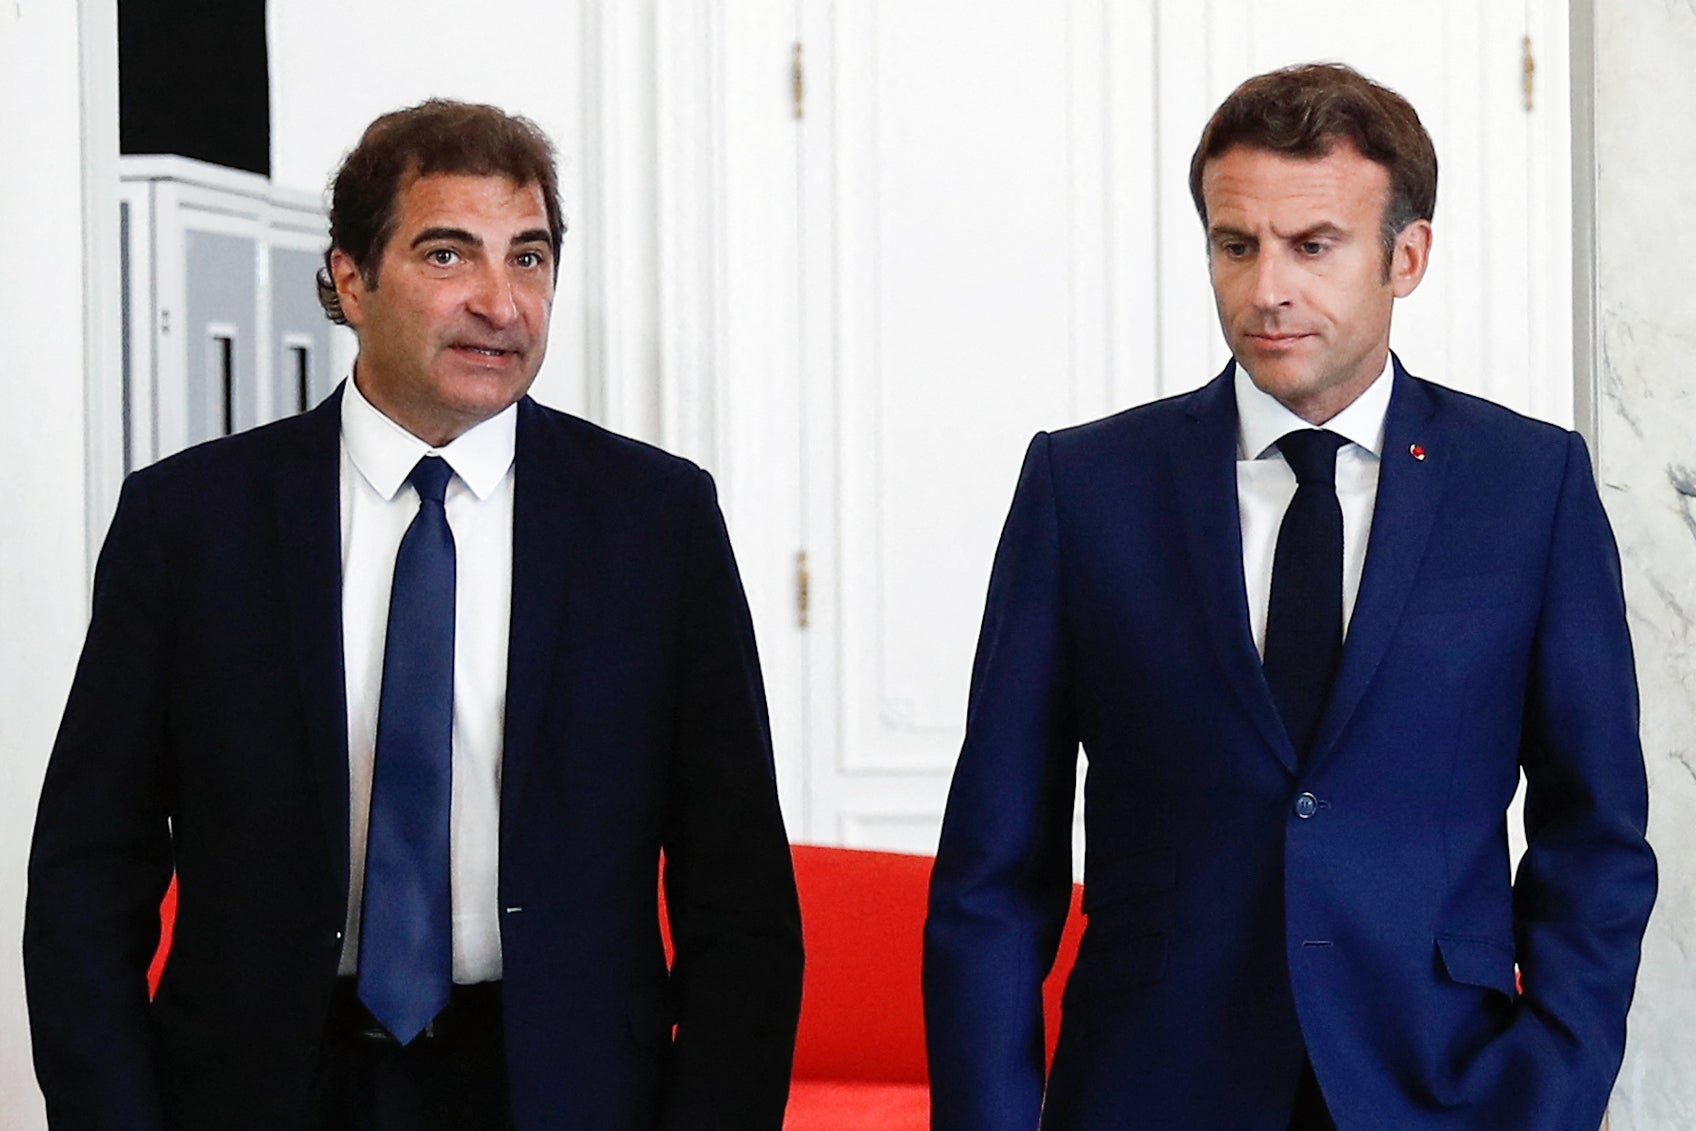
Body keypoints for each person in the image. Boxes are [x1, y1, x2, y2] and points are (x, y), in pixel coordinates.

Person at [25, 98, 803, 1130]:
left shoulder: (655, 524)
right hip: (267, 1087)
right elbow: (87, 881)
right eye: (449, 256)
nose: (501, 303)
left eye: (528, 259)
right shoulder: (191, 523)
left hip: (560, 1090)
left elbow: (738, 898)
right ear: (350, 277)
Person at [923, 63, 1655, 1130]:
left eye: (1312, 246)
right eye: (1236, 245)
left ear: (1405, 256)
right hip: (1150, 1090)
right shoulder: (1085, 489)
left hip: (1443, 1087)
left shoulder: (1526, 487)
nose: (1266, 287)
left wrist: (1546, 1091)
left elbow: (1594, 838)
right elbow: (993, 867)